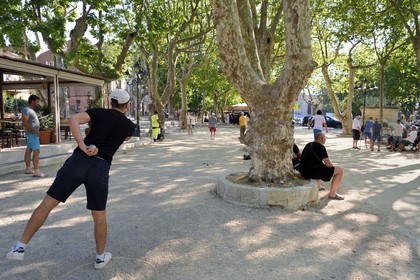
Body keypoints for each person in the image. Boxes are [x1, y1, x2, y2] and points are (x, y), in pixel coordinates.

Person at [6, 89, 135, 270]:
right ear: (127, 105)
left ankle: (20, 247)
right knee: (99, 215)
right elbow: (124, 137)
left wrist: (83, 145)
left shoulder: (97, 112)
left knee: (48, 203)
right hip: (100, 167)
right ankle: (100, 258)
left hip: (78, 161)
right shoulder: (129, 126)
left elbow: (73, 119)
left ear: (110, 101)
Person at [299, 132, 344, 200]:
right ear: (322, 139)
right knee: (340, 170)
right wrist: (333, 169)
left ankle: (319, 186)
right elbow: (328, 164)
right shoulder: (320, 147)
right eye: (325, 138)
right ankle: (332, 193)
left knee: (318, 165)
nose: (325, 139)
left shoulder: (308, 145)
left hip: (303, 171)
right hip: (312, 172)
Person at [21, 95, 44, 177]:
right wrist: (35, 131)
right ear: (32, 101)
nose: (38, 103)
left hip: (32, 134)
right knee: (36, 151)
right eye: (37, 101)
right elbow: (24, 123)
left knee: (29, 150)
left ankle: (28, 169)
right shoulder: (26, 110)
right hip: (32, 134)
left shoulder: (31, 110)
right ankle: (36, 171)